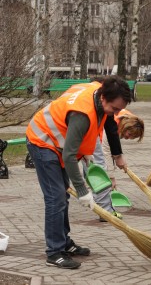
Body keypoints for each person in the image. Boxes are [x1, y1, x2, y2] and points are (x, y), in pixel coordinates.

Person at [26, 76, 132, 269]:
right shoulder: (82, 113)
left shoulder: (98, 91)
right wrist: (82, 190)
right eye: (114, 109)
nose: (115, 114)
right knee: (55, 198)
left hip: (59, 145)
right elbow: (69, 155)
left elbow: (82, 139)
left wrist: (89, 154)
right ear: (103, 98)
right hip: (43, 141)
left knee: (62, 197)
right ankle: (54, 252)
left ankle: (64, 242)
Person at [83, 109, 144, 221]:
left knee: (91, 169)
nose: (128, 138)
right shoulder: (113, 124)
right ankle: (104, 209)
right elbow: (106, 150)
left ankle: (92, 195)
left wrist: (118, 157)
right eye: (129, 134)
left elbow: (113, 148)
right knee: (98, 169)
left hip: (91, 136)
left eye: (132, 137)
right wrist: (111, 177)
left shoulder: (127, 118)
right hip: (90, 138)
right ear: (126, 127)